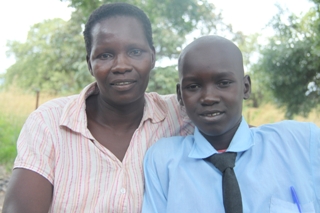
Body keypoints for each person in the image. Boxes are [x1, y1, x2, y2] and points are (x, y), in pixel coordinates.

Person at [2, 3, 194, 213]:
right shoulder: (48, 123)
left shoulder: (183, 116)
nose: (121, 65)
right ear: (89, 64)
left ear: (153, 57)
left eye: (135, 51)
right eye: (105, 55)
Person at [142, 35, 320, 213]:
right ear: (180, 95)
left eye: (223, 83)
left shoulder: (300, 142)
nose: (208, 98)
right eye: (193, 86)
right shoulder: (164, 160)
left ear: (246, 87)